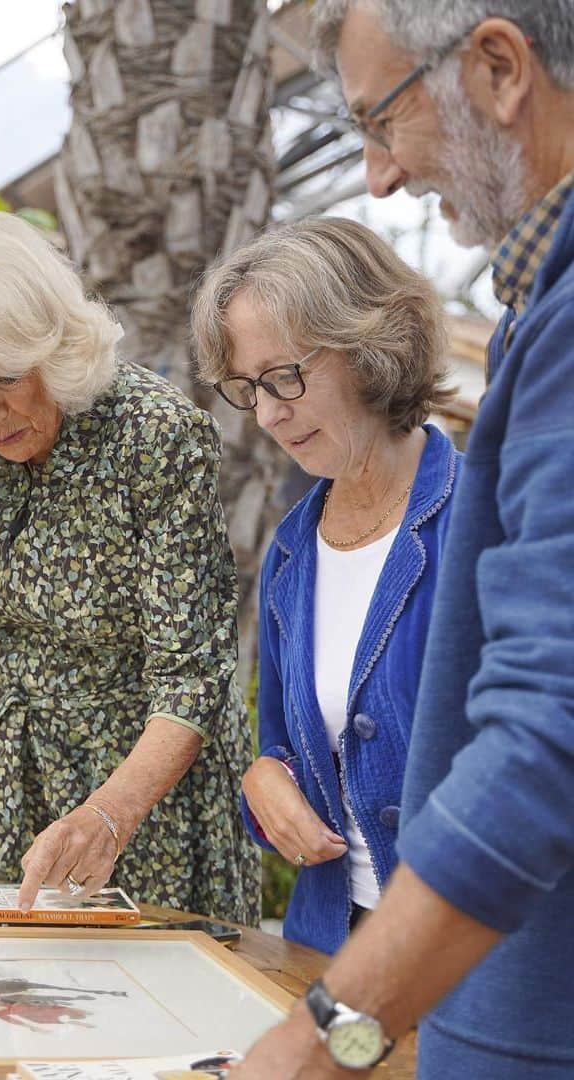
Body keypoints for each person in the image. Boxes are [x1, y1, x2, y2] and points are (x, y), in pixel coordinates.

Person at [232, 3, 574, 1077]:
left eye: (381, 121)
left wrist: (325, 1034)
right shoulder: (292, 547)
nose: (378, 176)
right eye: (247, 389)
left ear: (499, 67)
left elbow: (540, 739)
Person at [0, 211, 259, 922]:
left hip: (139, 800)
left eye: (5, 378)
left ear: (49, 343)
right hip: (3, 781)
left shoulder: (156, 437)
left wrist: (109, 814)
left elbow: (195, 674)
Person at [193, 216, 460, 955]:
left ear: (370, 349)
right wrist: (264, 780)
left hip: (469, 959)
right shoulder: (291, 551)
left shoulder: (482, 524)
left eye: (286, 376)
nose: (271, 413)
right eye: (249, 388)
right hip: (328, 943)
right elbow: (284, 746)